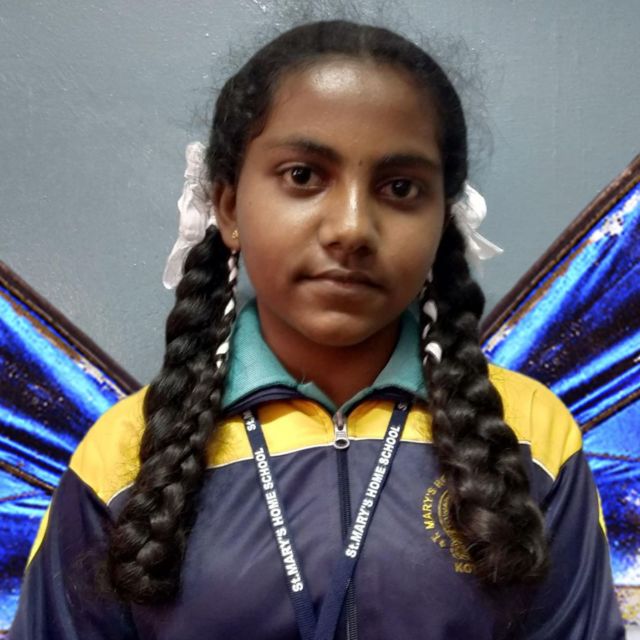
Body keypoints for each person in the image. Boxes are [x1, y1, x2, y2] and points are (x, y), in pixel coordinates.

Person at [10, 19, 625, 640]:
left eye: (400, 187)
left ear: (445, 218)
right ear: (228, 207)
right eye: (303, 176)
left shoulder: (532, 437)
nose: (352, 227)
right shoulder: (123, 455)